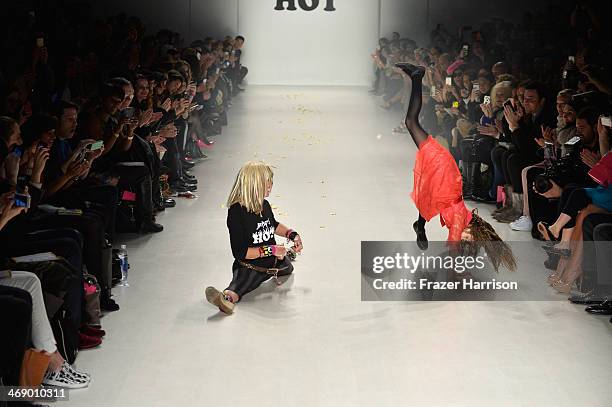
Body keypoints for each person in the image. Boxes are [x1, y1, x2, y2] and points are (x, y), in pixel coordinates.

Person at [395, 62, 515, 272]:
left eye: (465, 240)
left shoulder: (468, 220)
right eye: (469, 238)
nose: (464, 237)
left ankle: (420, 226)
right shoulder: (461, 222)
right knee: (411, 122)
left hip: (446, 181)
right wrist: (456, 271)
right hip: (442, 171)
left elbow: (455, 245)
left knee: (426, 195)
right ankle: (416, 76)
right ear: (475, 232)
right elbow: (453, 245)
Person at [205, 161, 303, 314]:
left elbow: (273, 224)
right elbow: (241, 252)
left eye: (271, 184)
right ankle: (226, 299)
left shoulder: (264, 204)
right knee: (239, 286)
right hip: (251, 265)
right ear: (253, 185)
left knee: (288, 268)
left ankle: (287, 254)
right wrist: (272, 249)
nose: (270, 188)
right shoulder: (237, 212)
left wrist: (292, 234)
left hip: (274, 261)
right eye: (267, 184)